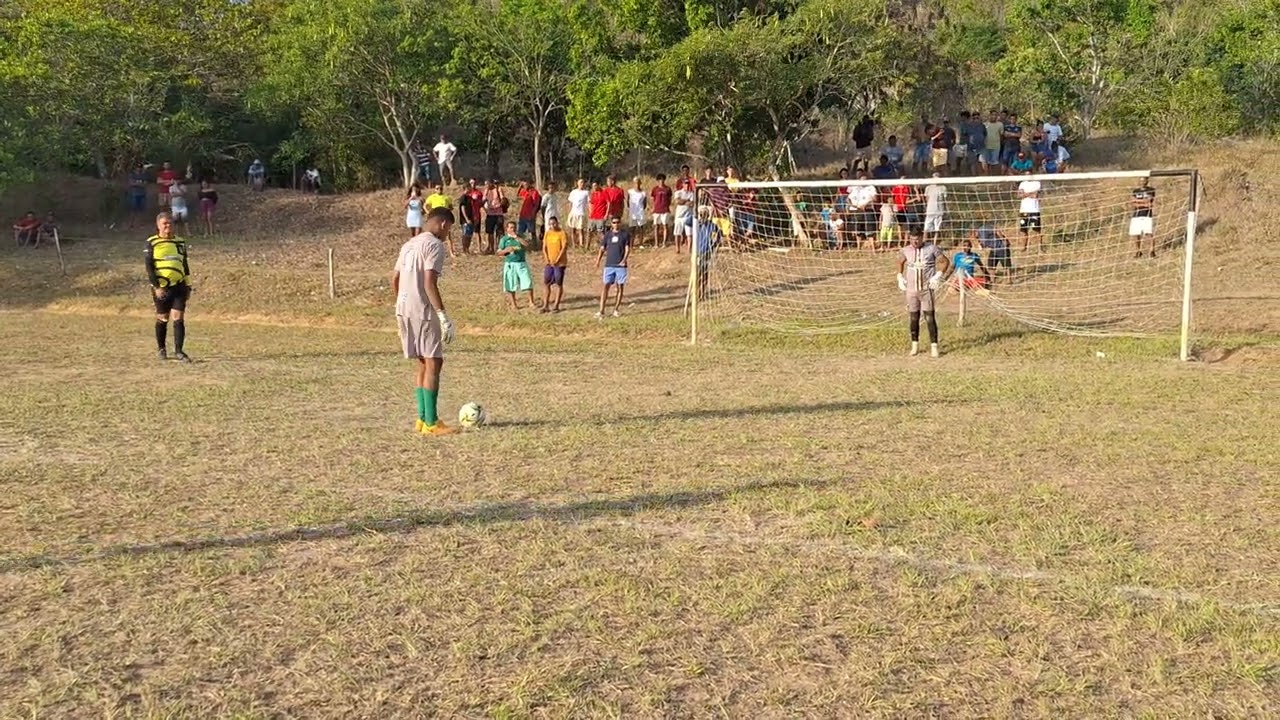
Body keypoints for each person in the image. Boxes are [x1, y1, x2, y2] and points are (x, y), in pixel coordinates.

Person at [392, 206, 457, 436]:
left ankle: (421, 418)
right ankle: (431, 422)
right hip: (422, 308)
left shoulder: (408, 244)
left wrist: (400, 303)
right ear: (442, 224)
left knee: (422, 361)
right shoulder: (434, 245)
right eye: (449, 229)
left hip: (403, 306)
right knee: (434, 362)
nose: (447, 233)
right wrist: (442, 316)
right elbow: (430, 282)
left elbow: (395, 278)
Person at [145, 211, 193, 363]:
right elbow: (149, 267)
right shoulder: (152, 242)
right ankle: (161, 348)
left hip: (179, 285)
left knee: (178, 317)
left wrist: (188, 284)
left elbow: (184, 264)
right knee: (163, 318)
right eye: (165, 223)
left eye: (170, 223)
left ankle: (179, 351)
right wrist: (156, 286)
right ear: (158, 225)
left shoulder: (180, 242)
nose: (168, 226)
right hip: (162, 287)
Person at [896, 229, 950, 357]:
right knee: (913, 317)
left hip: (926, 289)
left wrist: (938, 275)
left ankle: (934, 346)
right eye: (912, 239)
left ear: (922, 238)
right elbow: (900, 261)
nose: (914, 242)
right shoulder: (906, 250)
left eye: (917, 239)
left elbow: (945, 261)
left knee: (929, 317)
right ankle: (915, 345)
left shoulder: (931, 248)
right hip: (911, 290)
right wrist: (899, 276)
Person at [595, 216, 631, 320]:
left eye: (618, 222)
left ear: (620, 222)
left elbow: (627, 248)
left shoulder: (625, 234)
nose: (616, 224)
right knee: (605, 286)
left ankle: (616, 309)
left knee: (620, 287)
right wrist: (598, 260)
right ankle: (601, 310)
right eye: (614, 222)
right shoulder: (608, 235)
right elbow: (602, 248)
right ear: (611, 224)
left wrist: (624, 260)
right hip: (609, 264)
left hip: (620, 265)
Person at [497, 220, 536, 310]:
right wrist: (506, 250)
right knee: (510, 284)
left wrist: (516, 237)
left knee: (528, 282)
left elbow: (527, 245)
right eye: (510, 227)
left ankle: (531, 302)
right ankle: (513, 304)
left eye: (514, 227)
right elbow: (499, 253)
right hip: (510, 264)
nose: (512, 229)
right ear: (507, 229)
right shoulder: (504, 239)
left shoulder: (520, 236)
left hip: (521, 263)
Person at [693, 207, 722, 299]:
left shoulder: (712, 225)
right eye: (701, 214)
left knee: (704, 273)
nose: (702, 216)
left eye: (704, 214)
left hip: (706, 252)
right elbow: (689, 222)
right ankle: (696, 292)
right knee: (697, 273)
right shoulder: (696, 224)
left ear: (708, 215)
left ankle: (702, 292)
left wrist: (714, 245)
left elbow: (719, 235)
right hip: (696, 252)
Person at [541, 216, 568, 313]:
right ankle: (545, 305)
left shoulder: (562, 233)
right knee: (546, 283)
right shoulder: (547, 233)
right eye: (550, 224)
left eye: (554, 223)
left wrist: (557, 259)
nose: (552, 226)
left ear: (557, 223)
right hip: (549, 263)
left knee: (559, 283)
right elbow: (544, 247)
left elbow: (564, 248)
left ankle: (556, 305)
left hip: (559, 263)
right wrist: (546, 258)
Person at [1017, 169, 1043, 252]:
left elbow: (1036, 195)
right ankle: (1023, 247)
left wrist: (1025, 194)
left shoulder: (1037, 183)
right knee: (1023, 230)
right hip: (1024, 210)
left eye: (1029, 174)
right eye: (1026, 174)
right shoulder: (1022, 183)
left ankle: (1040, 248)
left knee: (1036, 230)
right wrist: (1030, 194)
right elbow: (1019, 195)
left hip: (1034, 210)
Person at [1130, 177, 1157, 258]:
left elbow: (1149, 202)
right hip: (1136, 215)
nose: (1142, 182)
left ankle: (1152, 250)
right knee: (1136, 234)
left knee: (1149, 233)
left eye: (1144, 180)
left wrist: (1138, 202)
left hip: (1147, 215)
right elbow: (1133, 202)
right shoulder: (1135, 191)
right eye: (1141, 180)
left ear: (1147, 181)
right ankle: (1138, 251)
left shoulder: (1151, 190)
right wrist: (1143, 203)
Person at [459, 178, 484, 254]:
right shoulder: (463, 197)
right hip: (465, 220)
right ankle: (464, 250)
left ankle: (467, 249)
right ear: (465, 189)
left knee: (469, 235)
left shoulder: (470, 198)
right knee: (465, 235)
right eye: (468, 188)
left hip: (471, 218)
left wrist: (474, 217)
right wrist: (466, 219)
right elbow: (462, 208)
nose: (470, 189)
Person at [672, 178, 695, 253]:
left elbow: (692, 204)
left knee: (689, 234)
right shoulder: (678, 192)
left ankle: (689, 250)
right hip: (679, 216)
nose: (687, 185)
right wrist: (686, 201)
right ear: (683, 184)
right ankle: (677, 249)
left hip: (688, 215)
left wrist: (683, 201)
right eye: (685, 183)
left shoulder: (691, 193)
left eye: (688, 183)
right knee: (677, 233)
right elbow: (678, 201)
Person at [482, 180, 505, 255]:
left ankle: (500, 248)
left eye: (488, 183)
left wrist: (497, 205)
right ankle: (491, 248)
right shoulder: (486, 191)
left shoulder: (498, 189)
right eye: (486, 184)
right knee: (489, 232)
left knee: (499, 232)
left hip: (498, 213)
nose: (487, 185)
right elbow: (483, 201)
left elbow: (503, 200)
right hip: (490, 214)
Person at [650, 174, 673, 248]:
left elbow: (670, 199)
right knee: (656, 226)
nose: (661, 181)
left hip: (665, 210)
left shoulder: (668, 189)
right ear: (657, 181)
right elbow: (652, 199)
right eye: (659, 180)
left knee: (665, 226)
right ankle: (656, 243)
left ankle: (664, 243)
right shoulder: (655, 189)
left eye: (662, 179)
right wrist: (652, 207)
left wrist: (668, 206)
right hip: (657, 210)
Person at [566, 178, 590, 249]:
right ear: (577, 183)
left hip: (581, 213)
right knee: (572, 230)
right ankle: (574, 245)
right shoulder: (573, 192)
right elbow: (570, 203)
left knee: (580, 230)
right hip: (573, 213)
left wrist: (588, 212)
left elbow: (588, 203)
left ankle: (581, 245)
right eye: (580, 182)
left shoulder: (586, 192)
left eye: (583, 182)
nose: (581, 184)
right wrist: (569, 212)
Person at [923, 173, 946, 244]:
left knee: (937, 229)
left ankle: (934, 244)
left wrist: (944, 210)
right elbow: (927, 199)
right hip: (930, 211)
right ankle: (924, 243)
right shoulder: (928, 188)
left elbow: (944, 200)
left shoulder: (943, 187)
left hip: (939, 211)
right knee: (926, 228)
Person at [981, 110, 1004, 176]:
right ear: (989, 115)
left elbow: (1001, 135)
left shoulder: (1000, 124)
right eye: (992, 115)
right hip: (986, 146)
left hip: (996, 146)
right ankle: (987, 176)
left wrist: (1000, 143)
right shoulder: (985, 124)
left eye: (995, 115)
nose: (994, 116)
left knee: (994, 163)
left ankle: (994, 176)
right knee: (986, 162)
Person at [627, 176, 647, 246]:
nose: (637, 184)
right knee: (632, 229)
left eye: (638, 182)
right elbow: (628, 202)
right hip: (632, 213)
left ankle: (641, 243)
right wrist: (631, 209)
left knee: (641, 228)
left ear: (640, 183)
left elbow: (645, 204)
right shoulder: (630, 192)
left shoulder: (643, 193)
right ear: (633, 183)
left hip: (640, 212)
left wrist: (640, 209)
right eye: (635, 183)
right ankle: (631, 244)